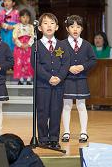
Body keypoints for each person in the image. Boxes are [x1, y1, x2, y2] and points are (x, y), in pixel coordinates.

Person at [32, 13, 70, 149]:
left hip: (58, 85)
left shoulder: (62, 45)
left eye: (52, 23)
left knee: (55, 110)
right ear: (40, 28)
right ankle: (42, 138)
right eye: (46, 23)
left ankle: (54, 138)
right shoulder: (36, 45)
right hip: (42, 85)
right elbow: (35, 64)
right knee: (42, 111)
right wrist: (48, 77)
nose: (49, 26)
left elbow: (66, 63)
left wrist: (59, 77)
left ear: (57, 27)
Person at [61, 15, 96, 143]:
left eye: (78, 26)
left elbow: (93, 60)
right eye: (72, 26)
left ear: (82, 29)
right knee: (67, 105)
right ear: (67, 28)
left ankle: (84, 132)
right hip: (67, 79)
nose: (75, 29)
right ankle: (66, 131)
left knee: (82, 105)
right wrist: (68, 68)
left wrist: (82, 66)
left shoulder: (86, 45)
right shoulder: (62, 44)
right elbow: (58, 60)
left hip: (81, 79)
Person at [12, 9, 34, 85]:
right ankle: (21, 79)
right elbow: (14, 37)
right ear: (19, 18)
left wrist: (28, 44)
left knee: (29, 63)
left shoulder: (31, 27)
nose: (25, 19)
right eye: (23, 17)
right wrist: (21, 45)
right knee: (19, 63)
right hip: (19, 48)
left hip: (29, 48)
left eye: (27, 17)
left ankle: (29, 79)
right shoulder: (16, 27)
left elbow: (33, 37)